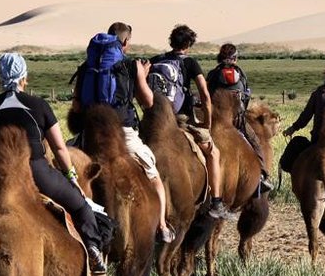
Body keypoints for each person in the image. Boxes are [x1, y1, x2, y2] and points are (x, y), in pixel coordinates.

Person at [0, 52, 107, 274]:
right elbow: (59, 148)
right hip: (37, 171)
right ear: (24, 78)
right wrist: (71, 178)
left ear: (0, 79)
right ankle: (93, 249)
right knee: (81, 206)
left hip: (0, 173)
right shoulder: (39, 105)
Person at [82, 22, 174, 243]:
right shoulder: (131, 65)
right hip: (122, 133)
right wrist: (142, 74)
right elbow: (148, 102)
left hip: (90, 133)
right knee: (153, 175)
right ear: (124, 41)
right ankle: (162, 226)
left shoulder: (88, 66)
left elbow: (77, 104)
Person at [150, 24, 236, 220]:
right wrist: (207, 122)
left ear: (171, 41)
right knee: (213, 152)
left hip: (154, 122)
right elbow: (204, 94)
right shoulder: (190, 63)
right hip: (180, 120)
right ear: (188, 44)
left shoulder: (156, 60)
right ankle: (216, 202)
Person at [205, 43, 274, 193]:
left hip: (215, 120)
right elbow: (246, 96)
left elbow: (207, 95)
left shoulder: (213, 74)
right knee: (255, 141)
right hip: (237, 120)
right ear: (235, 58)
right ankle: (263, 176)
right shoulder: (241, 74)